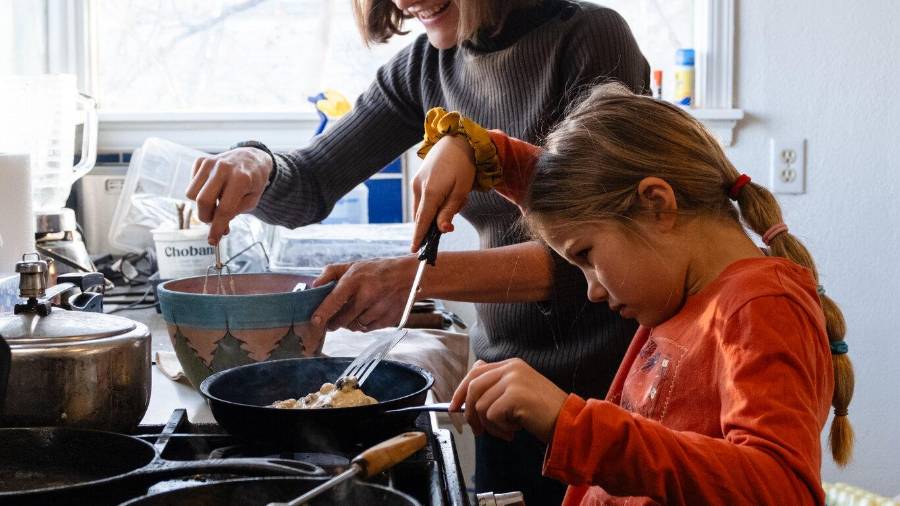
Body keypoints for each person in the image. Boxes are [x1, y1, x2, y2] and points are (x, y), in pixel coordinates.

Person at [186, 1, 649, 503]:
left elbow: (596, 257)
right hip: (503, 393)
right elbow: (313, 182)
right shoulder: (425, 67)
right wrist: (257, 162)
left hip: (611, 396)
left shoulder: (589, 38)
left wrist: (417, 277)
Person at [411, 83, 855, 504]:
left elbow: (780, 490)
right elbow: (571, 185)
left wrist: (572, 423)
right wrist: (473, 147)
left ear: (657, 204)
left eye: (586, 255)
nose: (592, 291)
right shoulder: (681, 290)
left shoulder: (758, 307)